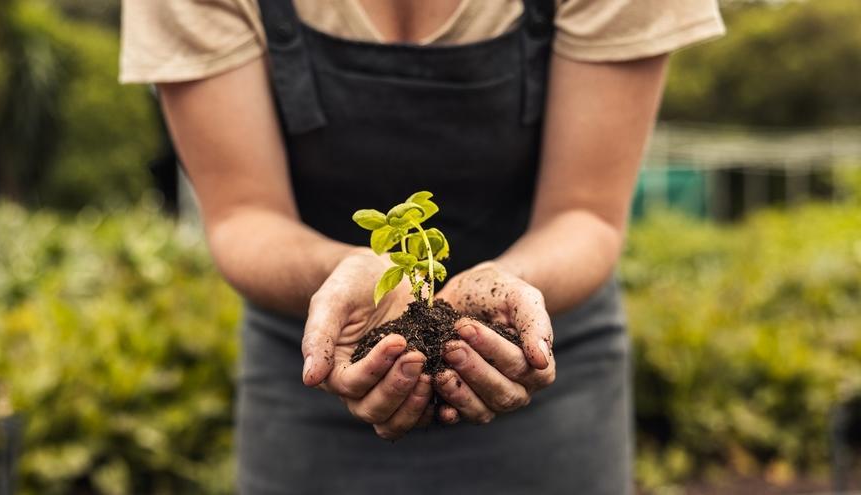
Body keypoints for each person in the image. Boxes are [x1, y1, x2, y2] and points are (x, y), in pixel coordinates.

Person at [121, 1, 723, 493]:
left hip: (545, 354)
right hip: (318, 362)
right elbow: (244, 215)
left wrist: (507, 283)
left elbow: (585, 212)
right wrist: (345, 269)